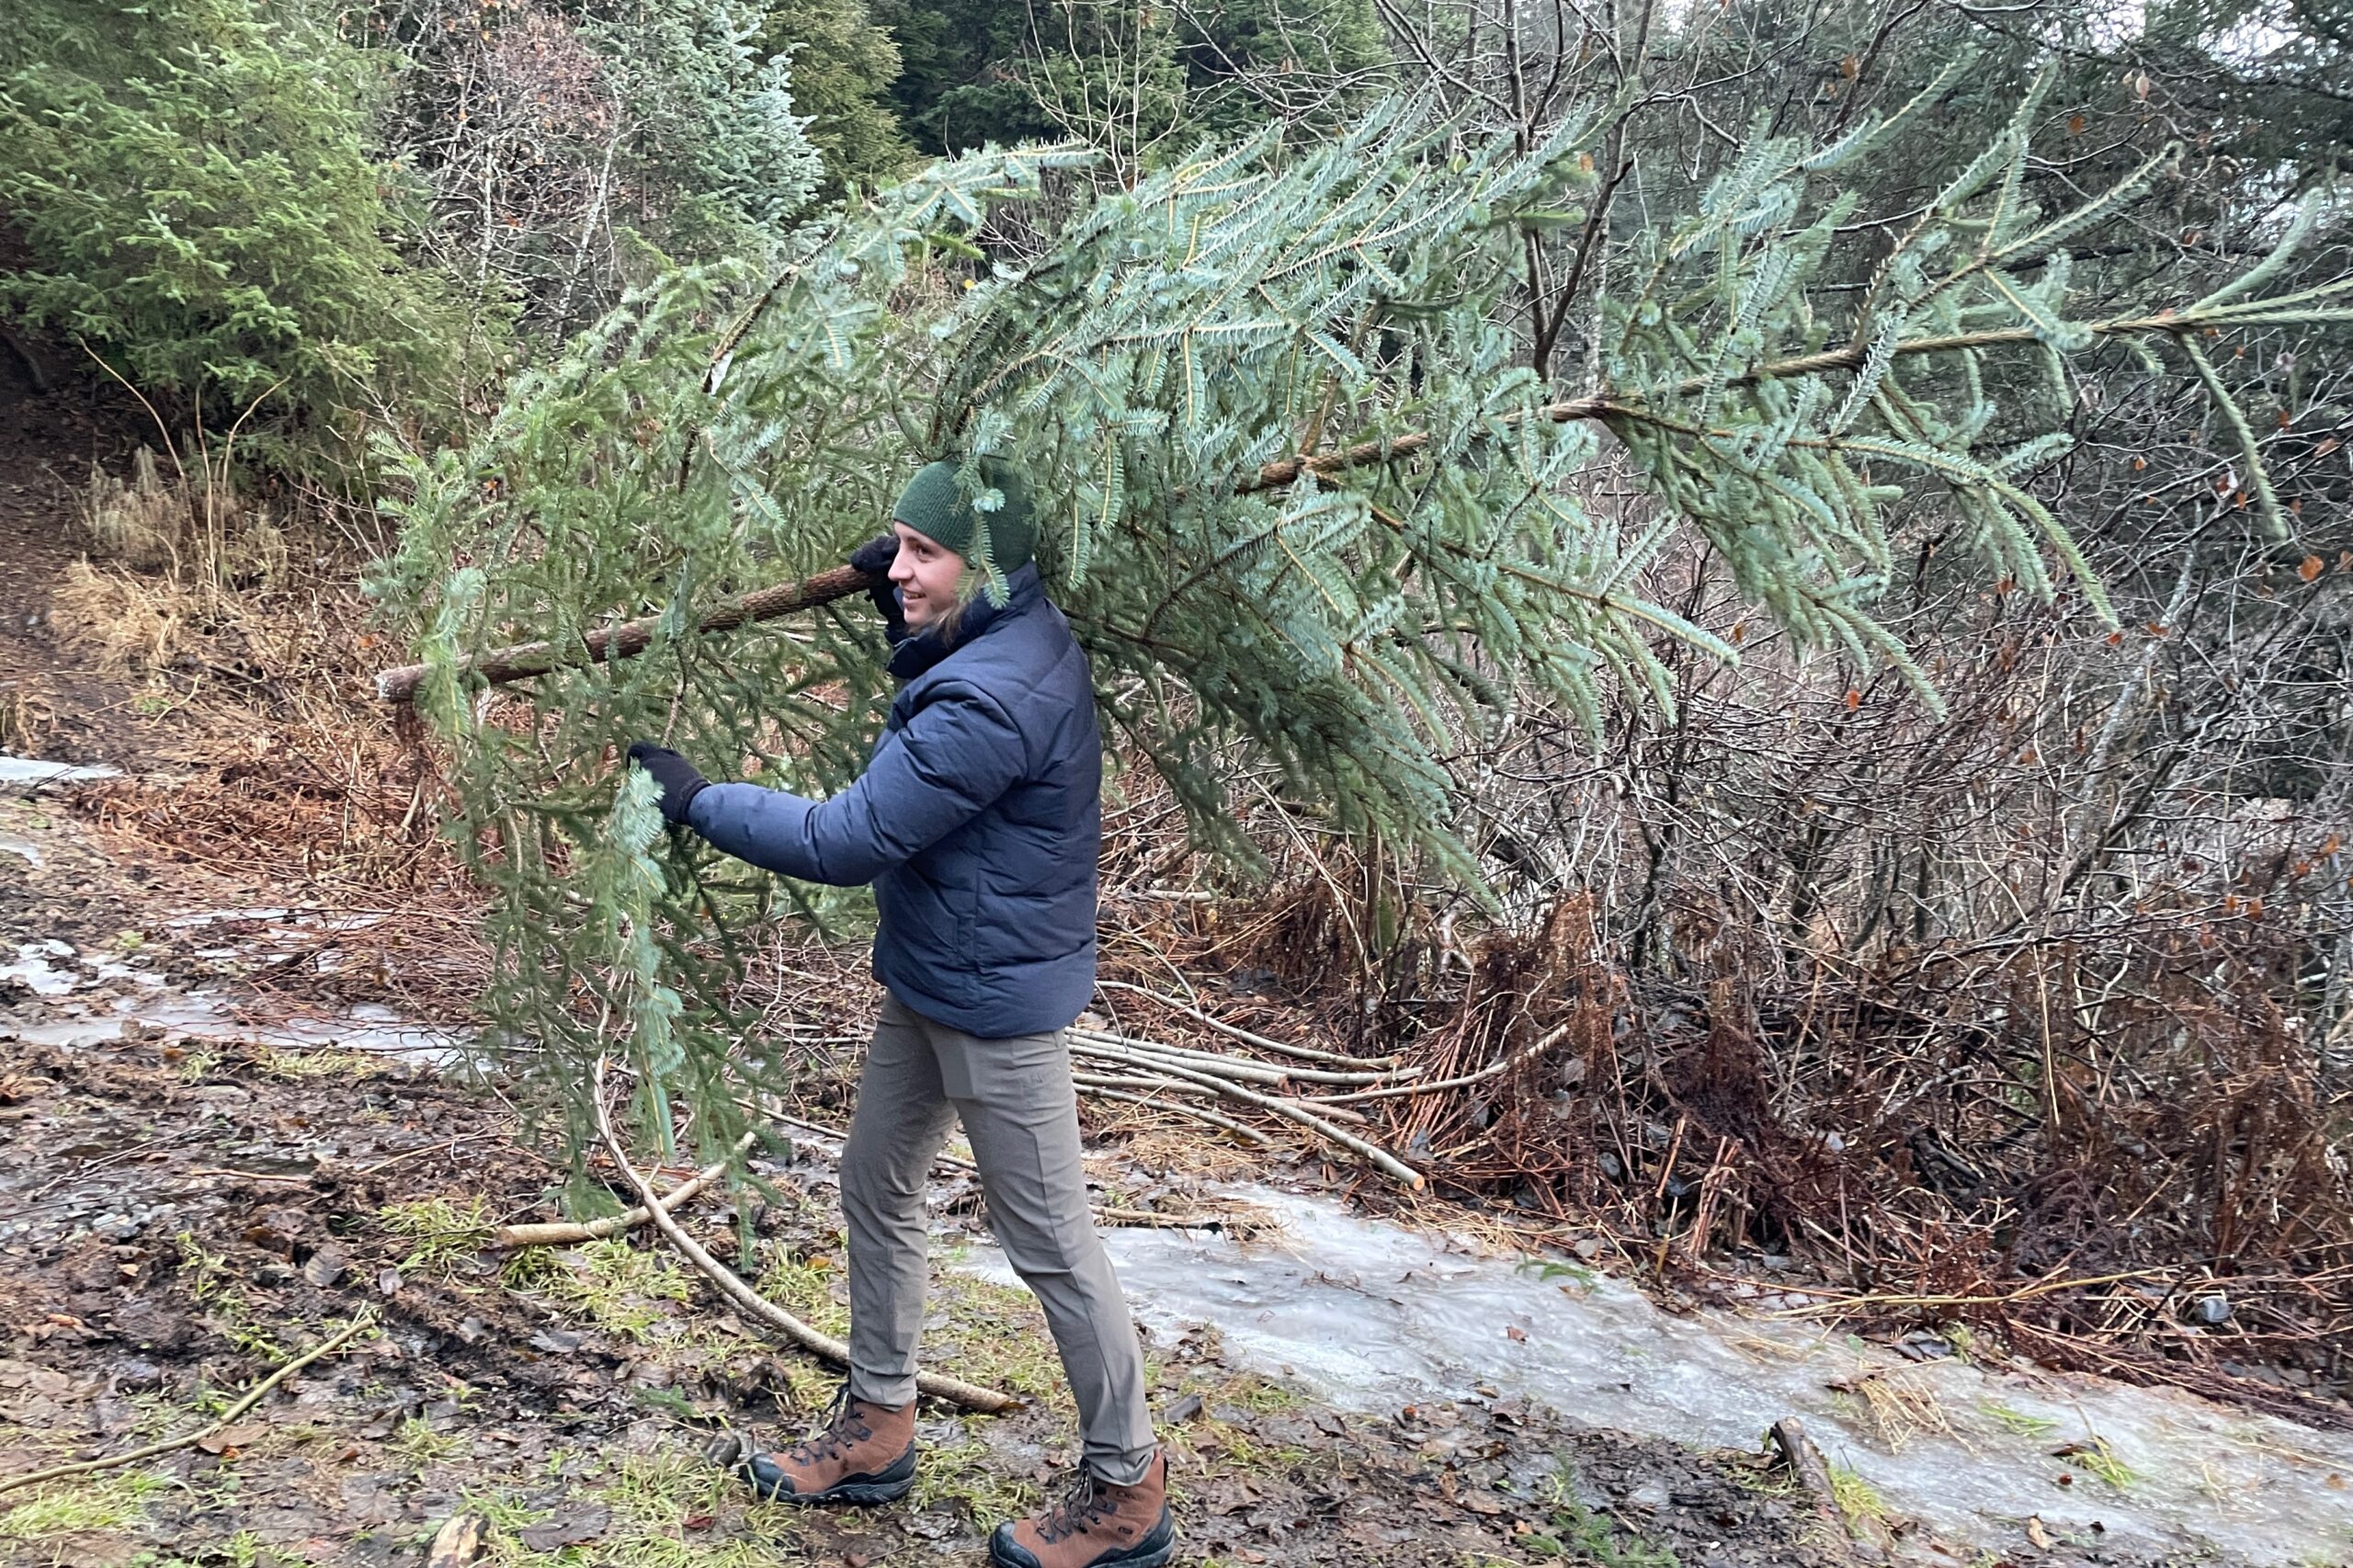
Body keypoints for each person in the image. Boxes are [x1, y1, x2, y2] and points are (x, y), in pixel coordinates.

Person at [625, 460, 1173, 1568]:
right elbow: (946, 672)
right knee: (873, 1177)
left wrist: (694, 802)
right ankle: (878, 1425)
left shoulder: (994, 695)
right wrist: (908, 604)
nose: (902, 568)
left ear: (990, 567)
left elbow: (844, 837)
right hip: (935, 975)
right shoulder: (1002, 635)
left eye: (926, 553)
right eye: (896, 547)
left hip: (997, 1008)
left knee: (1052, 1243)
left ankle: (1127, 1487)